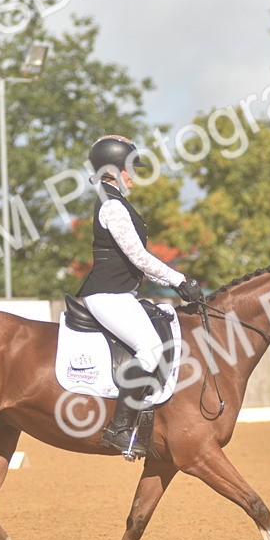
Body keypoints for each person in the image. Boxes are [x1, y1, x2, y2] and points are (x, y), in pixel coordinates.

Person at [77, 135, 204, 459]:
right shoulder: (113, 206)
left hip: (120, 294)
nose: (134, 176)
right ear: (115, 169)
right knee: (151, 350)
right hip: (107, 294)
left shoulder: (115, 200)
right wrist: (179, 280)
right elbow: (139, 257)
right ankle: (119, 430)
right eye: (130, 169)